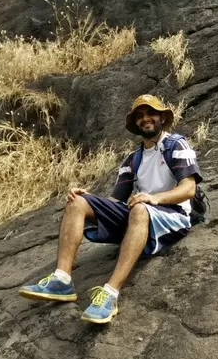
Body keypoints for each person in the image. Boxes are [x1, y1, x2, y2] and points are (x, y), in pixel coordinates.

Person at [18, 94, 203, 324]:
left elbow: (188, 189)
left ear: (161, 118)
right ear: (135, 124)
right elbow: (116, 201)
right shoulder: (132, 159)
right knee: (77, 201)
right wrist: (90, 200)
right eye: (140, 116)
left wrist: (154, 198)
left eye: (151, 113)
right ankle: (62, 280)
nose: (145, 119)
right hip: (141, 216)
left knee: (140, 209)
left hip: (175, 215)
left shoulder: (176, 144)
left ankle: (110, 294)